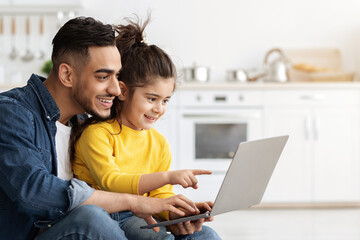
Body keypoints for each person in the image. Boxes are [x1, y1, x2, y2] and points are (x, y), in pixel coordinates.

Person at [0, 16, 199, 240]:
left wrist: (175, 213)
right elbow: (35, 192)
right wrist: (133, 202)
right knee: (91, 218)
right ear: (67, 75)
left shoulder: (86, 121)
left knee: (200, 235)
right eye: (103, 76)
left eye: (116, 76)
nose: (116, 89)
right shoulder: (11, 113)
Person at [71, 17, 221, 239]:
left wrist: (178, 214)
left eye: (165, 100)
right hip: (110, 216)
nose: (159, 109)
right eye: (152, 98)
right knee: (159, 237)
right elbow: (111, 182)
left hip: (145, 215)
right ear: (122, 91)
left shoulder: (158, 143)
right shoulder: (97, 134)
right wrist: (168, 176)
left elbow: (160, 196)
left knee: (206, 235)